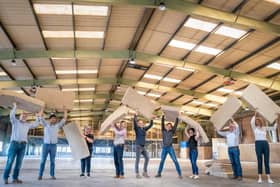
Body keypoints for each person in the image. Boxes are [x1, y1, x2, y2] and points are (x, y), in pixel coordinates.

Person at [3, 102, 41, 184]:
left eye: (25, 115)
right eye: (22, 115)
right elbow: (11, 116)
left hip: (23, 145)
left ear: (26, 118)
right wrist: (15, 107)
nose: (24, 116)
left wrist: (38, 116)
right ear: (19, 116)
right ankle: (5, 178)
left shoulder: (27, 124)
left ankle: (15, 178)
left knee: (19, 163)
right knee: (10, 161)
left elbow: (36, 124)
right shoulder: (15, 122)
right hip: (14, 144)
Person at [38, 109, 68, 180]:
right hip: (46, 145)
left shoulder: (57, 126)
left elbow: (64, 119)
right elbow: (40, 117)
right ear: (49, 119)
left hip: (53, 146)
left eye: (55, 119)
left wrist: (65, 110)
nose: (53, 120)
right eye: (52, 119)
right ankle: (40, 175)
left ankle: (52, 175)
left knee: (52, 161)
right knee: (43, 161)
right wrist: (43, 108)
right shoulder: (46, 125)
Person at [251, 111, 278, 184]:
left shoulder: (264, 128)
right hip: (258, 144)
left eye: (258, 121)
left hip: (265, 144)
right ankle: (260, 177)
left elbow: (274, 128)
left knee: (266, 161)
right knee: (259, 160)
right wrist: (255, 114)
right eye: (256, 121)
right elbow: (252, 122)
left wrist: (276, 118)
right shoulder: (254, 128)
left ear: (261, 121)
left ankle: (269, 177)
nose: (257, 122)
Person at [155, 115, 182, 179]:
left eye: (170, 126)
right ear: (166, 126)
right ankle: (159, 173)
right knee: (162, 161)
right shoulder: (163, 131)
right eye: (168, 126)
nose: (169, 127)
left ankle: (179, 174)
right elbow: (162, 123)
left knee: (175, 160)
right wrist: (163, 116)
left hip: (170, 148)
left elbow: (175, 125)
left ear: (171, 128)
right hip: (164, 148)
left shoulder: (172, 132)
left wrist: (177, 117)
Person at [134, 113, 154, 178]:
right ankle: (137, 173)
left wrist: (151, 119)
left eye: (142, 123)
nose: (141, 124)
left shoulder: (144, 129)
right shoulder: (137, 129)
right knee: (138, 160)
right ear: (138, 124)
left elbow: (150, 125)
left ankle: (144, 172)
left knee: (147, 158)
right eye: (139, 123)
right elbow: (134, 123)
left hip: (143, 146)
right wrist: (135, 116)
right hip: (138, 146)